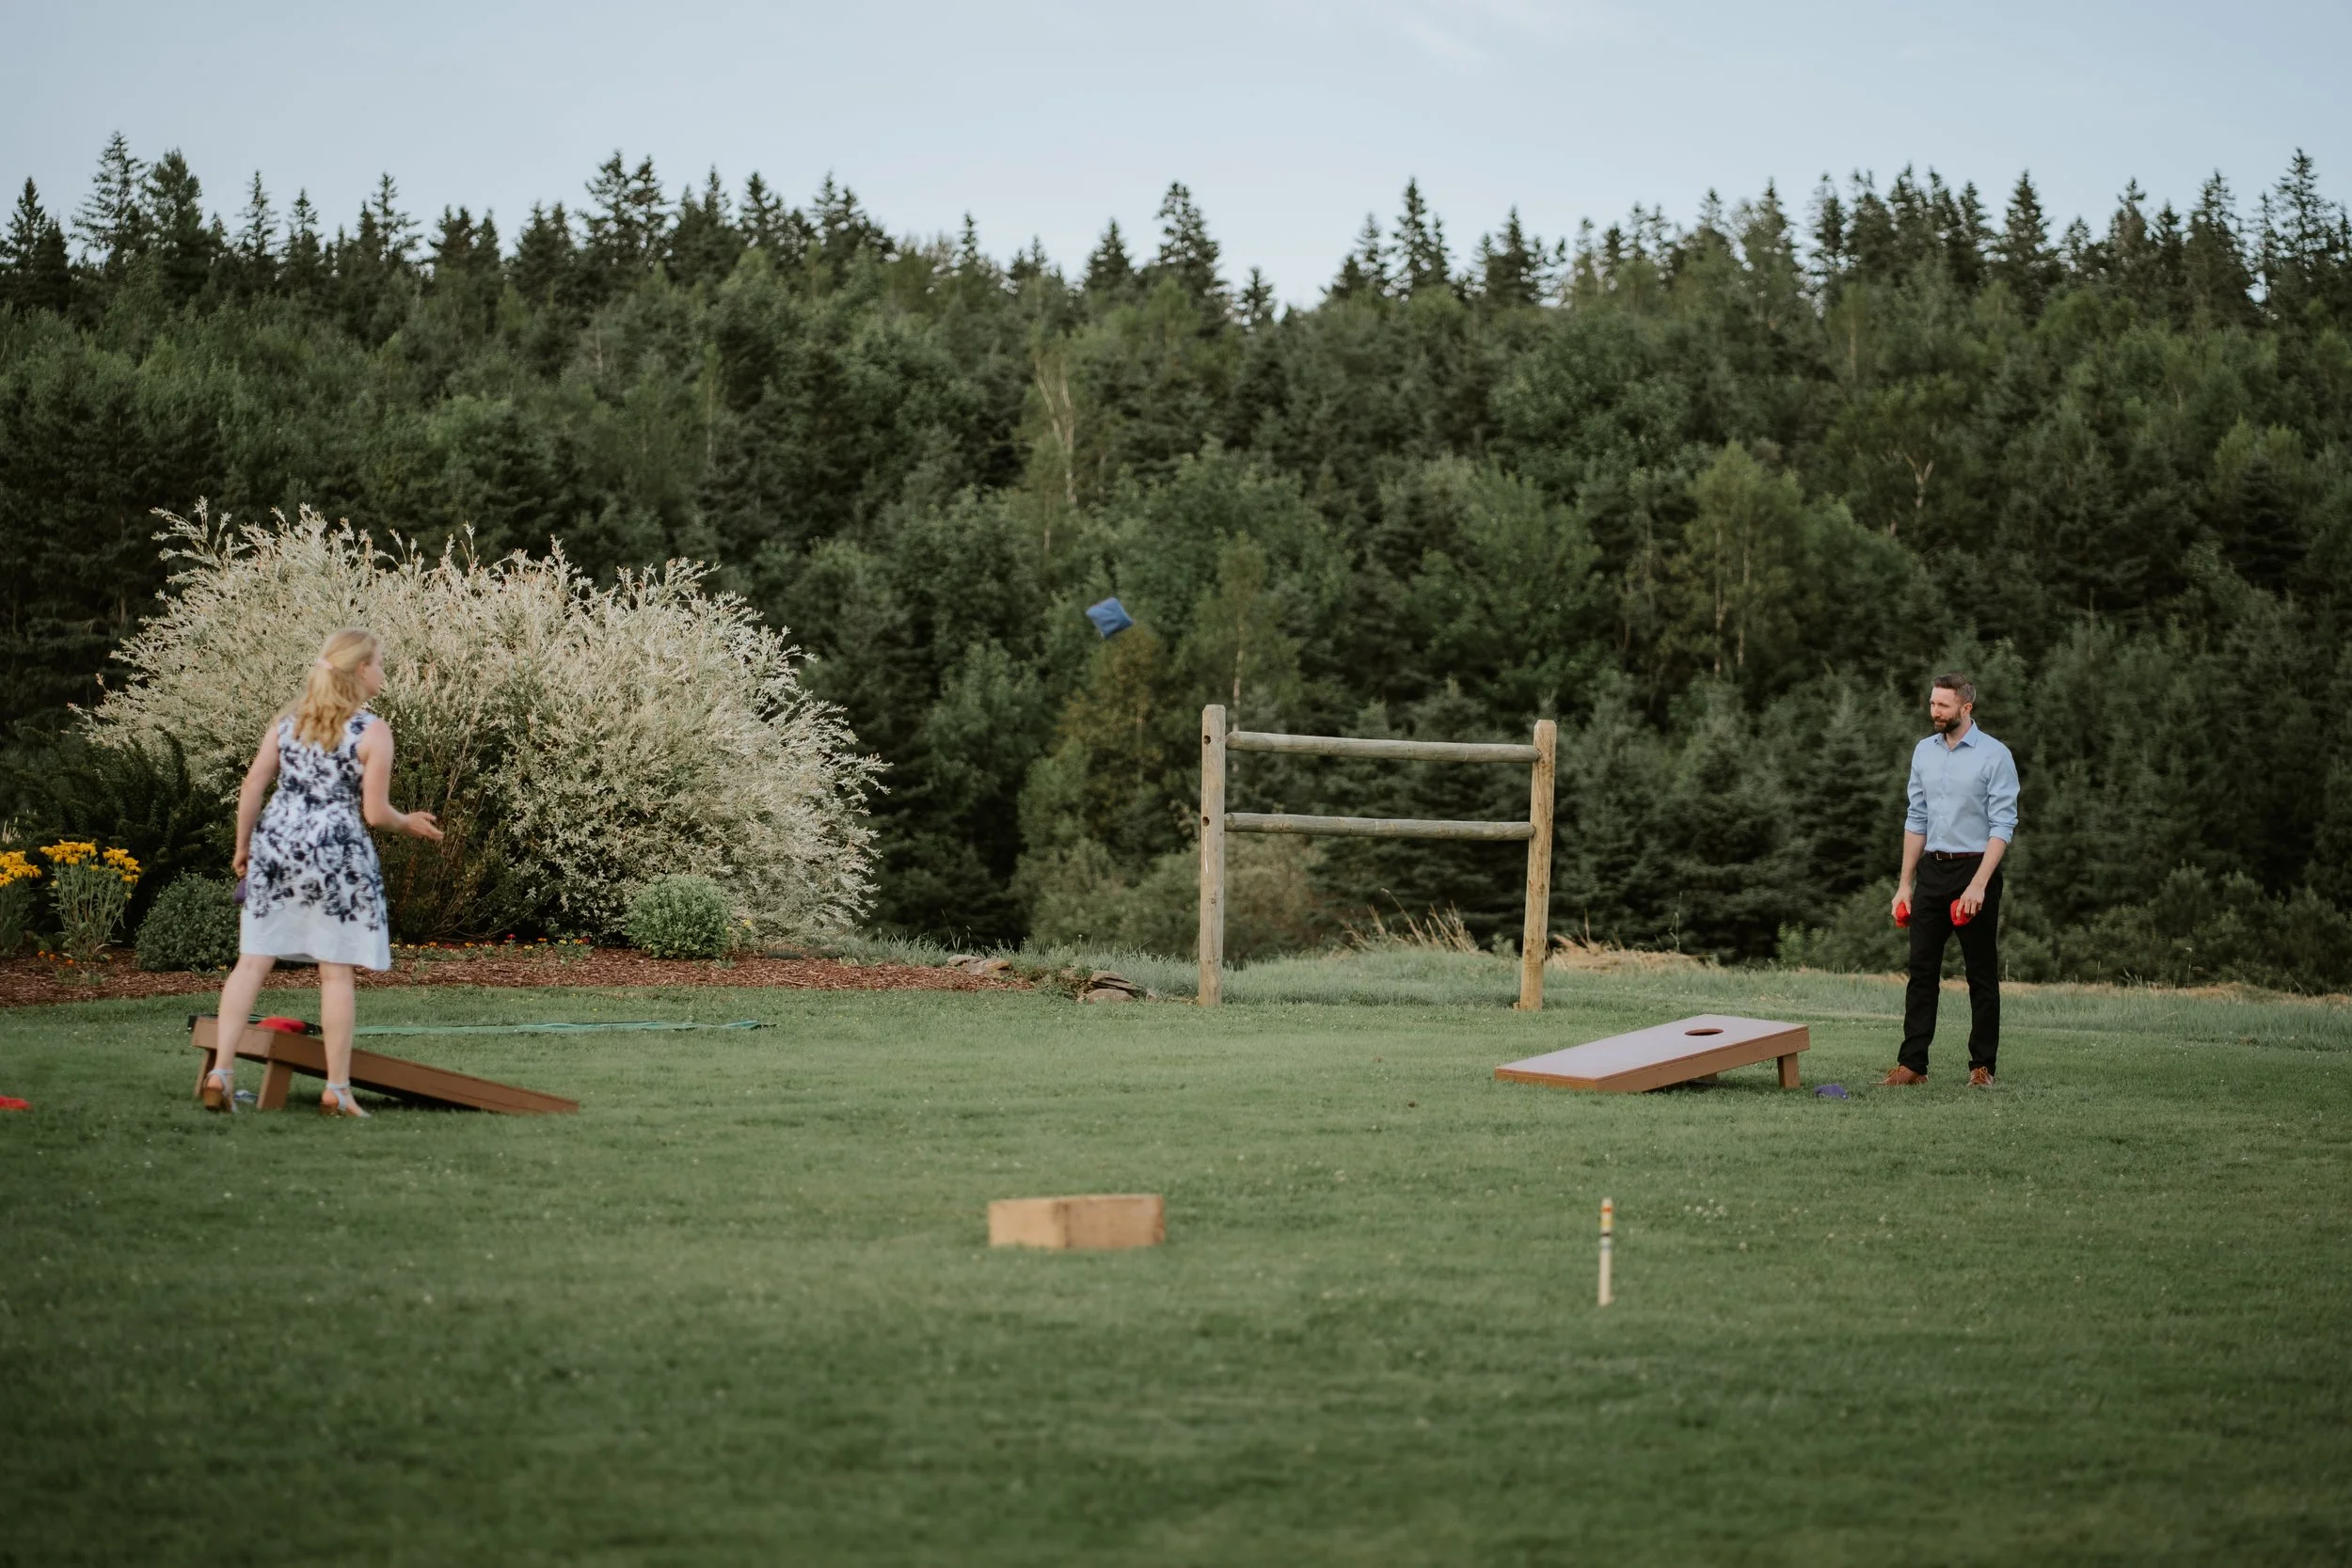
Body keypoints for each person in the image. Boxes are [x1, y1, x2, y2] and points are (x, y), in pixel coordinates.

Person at [198, 629, 442, 1117]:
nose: (384, 673)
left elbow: (253, 784)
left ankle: (220, 1073)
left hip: (277, 845)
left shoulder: (289, 723)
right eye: (380, 663)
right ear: (359, 670)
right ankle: (336, 1089)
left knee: (252, 961)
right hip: (335, 853)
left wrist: (243, 846)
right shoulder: (373, 730)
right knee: (335, 972)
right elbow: (375, 815)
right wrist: (408, 822)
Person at [1883, 672, 2019, 1089]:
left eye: (1943, 705)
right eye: (1931, 703)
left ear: (1966, 708)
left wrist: (1979, 884)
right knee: (1921, 970)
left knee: (1980, 973)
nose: (1934, 712)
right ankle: (1912, 1066)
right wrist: (1905, 883)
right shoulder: (1924, 752)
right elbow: (1916, 818)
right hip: (1932, 872)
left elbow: (2003, 824)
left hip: (1975, 869)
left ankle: (1982, 1068)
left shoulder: (1995, 755)